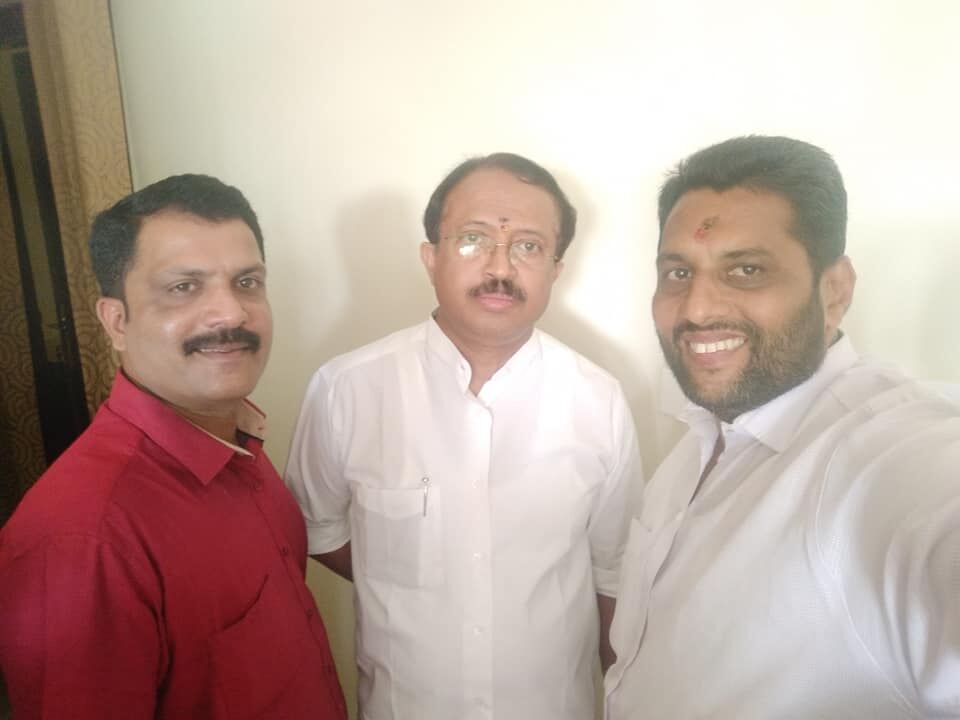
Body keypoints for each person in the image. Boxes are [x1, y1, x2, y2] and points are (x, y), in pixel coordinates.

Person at [605, 136, 960, 719]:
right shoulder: (700, 438)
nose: (696, 309)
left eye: (746, 270)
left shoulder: (890, 459)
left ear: (834, 290)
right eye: (678, 272)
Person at [286, 153, 642, 719]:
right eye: (473, 239)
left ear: (556, 268)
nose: (500, 266)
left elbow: (614, 571)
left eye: (528, 245)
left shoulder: (600, 401)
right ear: (431, 257)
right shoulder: (346, 389)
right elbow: (318, 528)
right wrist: (414, 574)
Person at [0, 174, 347, 719]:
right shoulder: (82, 539)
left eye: (247, 282)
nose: (230, 313)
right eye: (184, 287)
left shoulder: (239, 447)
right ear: (116, 322)